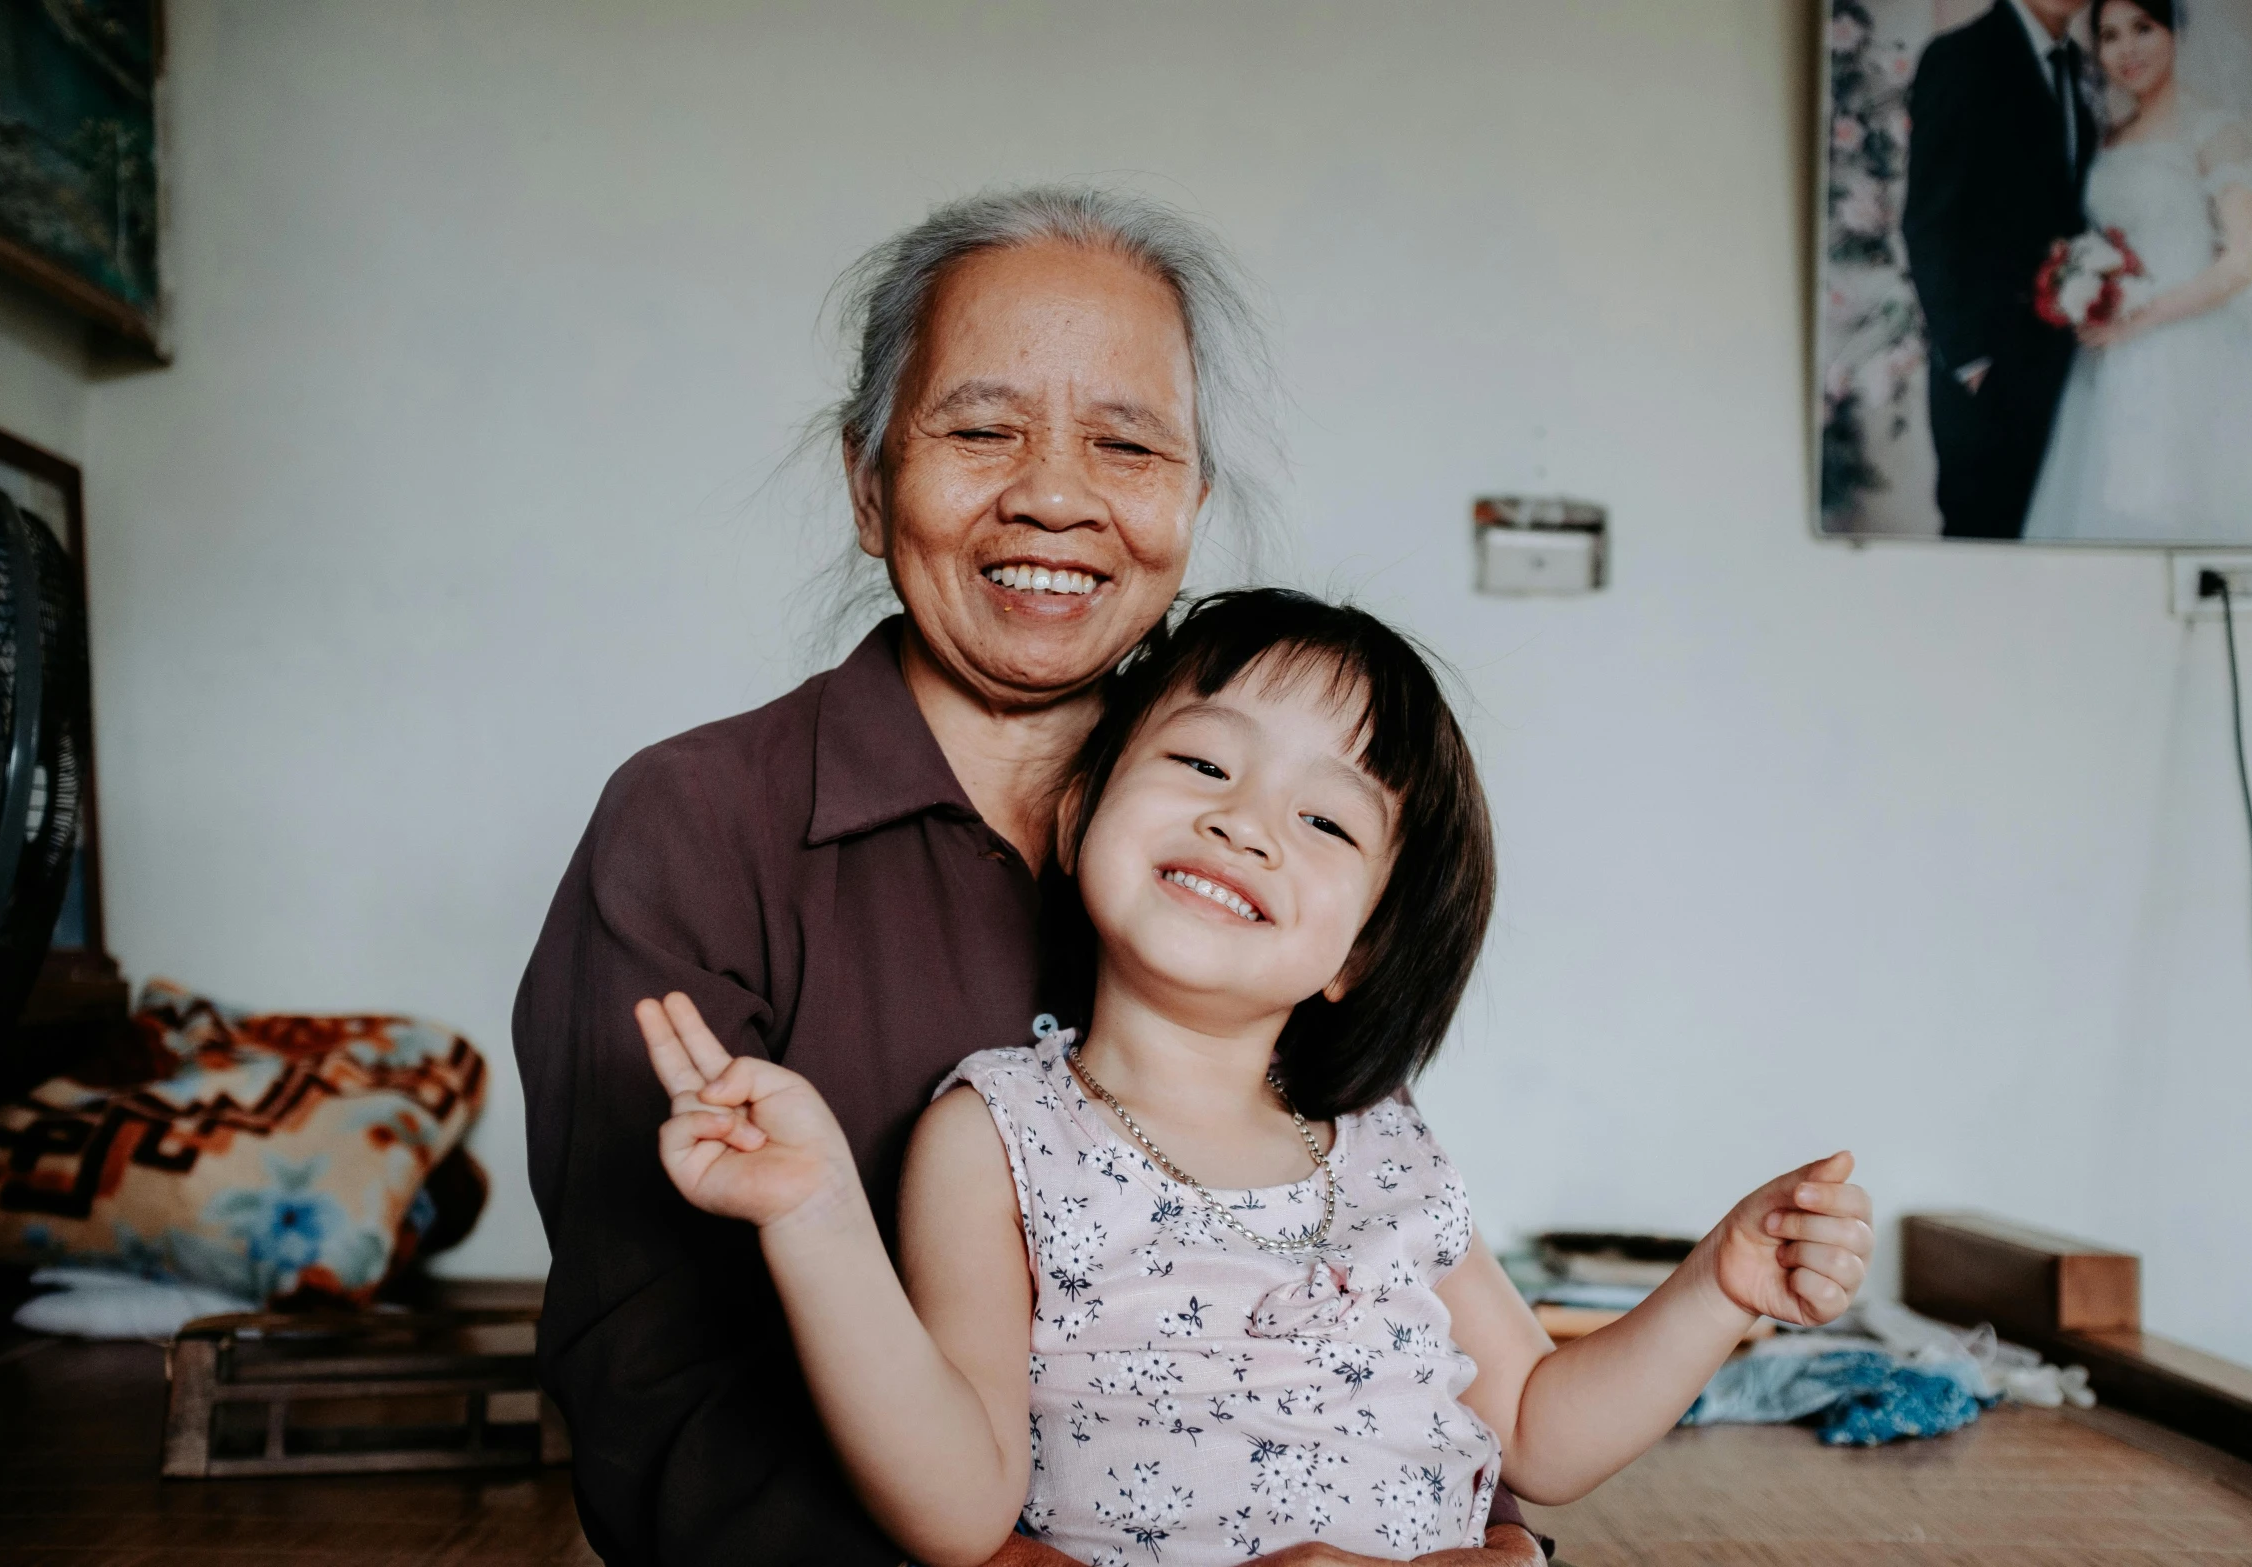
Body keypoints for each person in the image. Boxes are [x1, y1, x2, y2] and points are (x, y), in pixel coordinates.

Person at [513, 190, 1550, 1565]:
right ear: (870, 479)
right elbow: (659, 1404)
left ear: (1187, 502)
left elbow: (1367, 1321)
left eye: (1126, 443)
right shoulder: (698, 821)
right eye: (981, 428)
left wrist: (1492, 1548)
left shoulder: (1247, 853)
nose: (1055, 495)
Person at [639, 590, 1879, 1567]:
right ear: (1077, 821)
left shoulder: (1385, 1144)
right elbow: (960, 1510)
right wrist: (813, 1221)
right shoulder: (999, 1129)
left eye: (1327, 822)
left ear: (1363, 952)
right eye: (1202, 765)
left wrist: (1718, 1286)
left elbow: (1544, 1435)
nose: (1247, 824)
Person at [2024, 0, 2252, 543]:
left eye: (2143, 29)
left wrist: (2140, 320)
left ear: (2175, 32)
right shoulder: (2110, 136)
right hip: (2109, 363)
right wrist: (2084, 286)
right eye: (2110, 35)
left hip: (2191, 354)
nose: (2127, 50)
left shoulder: (2212, 127)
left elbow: (2250, 257)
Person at [1902, 0, 2100, 539]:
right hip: (1987, 376)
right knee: (1982, 550)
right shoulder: (1961, 56)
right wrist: (1970, 361)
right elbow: (1929, 221)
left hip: (2066, 370)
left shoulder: (2084, 66)